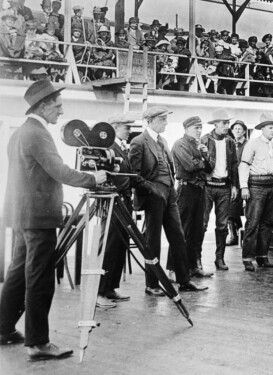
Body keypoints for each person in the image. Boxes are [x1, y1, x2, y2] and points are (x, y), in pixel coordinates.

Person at [0, 80, 106, 359]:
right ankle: (38, 342)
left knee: (18, 272)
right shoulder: (37, 133)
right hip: (39, 218)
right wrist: (92, 178)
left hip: (22, 215)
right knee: (39, 278)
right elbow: (58, 170)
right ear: (43, 106)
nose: (61, 111)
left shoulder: (21, 132)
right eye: (58, 106)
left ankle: (3, 328)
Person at [129, 106, 209, 296]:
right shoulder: (139, 142)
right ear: (151, 120)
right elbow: (134, 174)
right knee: (153, 241)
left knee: (178, 237)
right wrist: (152, 190)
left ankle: (184, 280)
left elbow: (170, 168)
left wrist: (170, 190)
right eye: (163, 119)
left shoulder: (163, 141)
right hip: (153, 196)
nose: (166, 123)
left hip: (170, 194)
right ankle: (152, 284)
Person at [96, 112, 140, 308]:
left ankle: (111, 287)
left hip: (124, 201)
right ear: (114, 127)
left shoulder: (121, 147)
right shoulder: (107, 147)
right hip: (112, 201)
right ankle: (99, 291)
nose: (129, 130)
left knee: (120, 245)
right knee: (109, 245)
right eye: (126, 127)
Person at [238, 117, 273, 271]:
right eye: (270, 127)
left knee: (268, 223)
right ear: (262, 129)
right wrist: (244, 187)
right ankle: (247, 258)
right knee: (253, 223)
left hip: (271, 186)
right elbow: (243, 165)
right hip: (256, 186)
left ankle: (262, 256)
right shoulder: (252, 144)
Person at [172, 116, 214, 278]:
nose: (199, 130)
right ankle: (174, 269)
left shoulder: (198, 145)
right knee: (181, 230)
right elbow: (190, 166)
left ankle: (194, 266)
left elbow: (209, 167)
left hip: (200, 189)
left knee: (198, 230)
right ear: (187, 128)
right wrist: (202, 159)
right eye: (196, 127)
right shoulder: (180, 144)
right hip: (186, 189)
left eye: (200, 127)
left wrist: (204, 156)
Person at [200, 109, 240, 271]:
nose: (227, 126)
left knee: (222, 225)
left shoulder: (230, 142)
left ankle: (220, 258)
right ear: (215, 124)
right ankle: (197, 259)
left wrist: (235, 185)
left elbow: (234, 165)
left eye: (228, 123)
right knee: (202, 224)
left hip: (224, 187)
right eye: (224, 123)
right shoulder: (205, 140)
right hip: (208, 186)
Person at [227, 120, 249, 245]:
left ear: (245, 131)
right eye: (235, 129)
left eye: (240, 129)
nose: (238, 131)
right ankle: (234, 235)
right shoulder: (230, 144)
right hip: (233, 181)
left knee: (247, 210)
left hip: (245, 181)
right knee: (230, 210)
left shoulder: (248, 144)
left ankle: (246, 237)